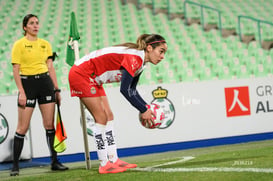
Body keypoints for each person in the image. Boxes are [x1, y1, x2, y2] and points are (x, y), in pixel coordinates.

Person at [68, 34, 167, 174]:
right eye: (161, 51)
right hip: (82, 74)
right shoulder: (135, 58)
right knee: (101, 118)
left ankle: (114, 160)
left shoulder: (141, 62)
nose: (162, 56)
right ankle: (104, 164)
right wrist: (143, 109)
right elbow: (124, 89)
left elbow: (132, 89)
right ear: (149, 48)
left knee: (109, 116)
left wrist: (145, 107)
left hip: (93, 77)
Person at [10, 14, 68, 176]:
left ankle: (55, 162)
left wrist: (56, 89)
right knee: (22, 127)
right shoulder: (19, 45)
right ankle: (15, 166)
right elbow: (15, 69)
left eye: (37, 23)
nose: (35, 26)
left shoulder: (45, 44)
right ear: (25, 27)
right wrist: (21, 92)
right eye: (31, 23)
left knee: (49, 125)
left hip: (45, 84)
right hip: (27, 85)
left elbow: (50, 67)